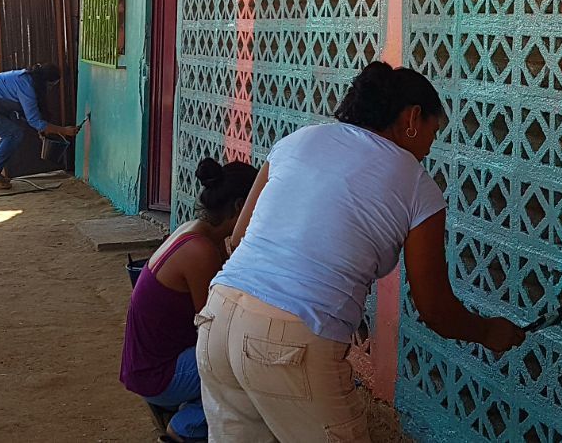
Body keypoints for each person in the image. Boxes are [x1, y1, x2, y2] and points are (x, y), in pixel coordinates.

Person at [196, 62, 526, 442]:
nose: (429, 148)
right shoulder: (417, 185)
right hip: (291, 340)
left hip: (218, 319)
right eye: (433, 132)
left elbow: (238, 237)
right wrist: (488, 331)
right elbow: (435, 309)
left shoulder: (298, 140)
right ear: (412, 118)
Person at [123, 158, 258, 443]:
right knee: (253, 365)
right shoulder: (199, 251)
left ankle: (190, 406)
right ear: (239, 207)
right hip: (160, 375)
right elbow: (214, 329)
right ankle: (186, 426)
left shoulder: (193, 232)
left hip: (150, 366)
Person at [0, 64, 78, 189]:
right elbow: (34, 121)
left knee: (11, 132)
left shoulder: (23, 77)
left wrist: (44, 127)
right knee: (13, 134)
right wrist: (64, 131)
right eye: (50, 86)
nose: (50, 90)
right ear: (44, 82)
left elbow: (29, 116)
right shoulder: (26, 86)